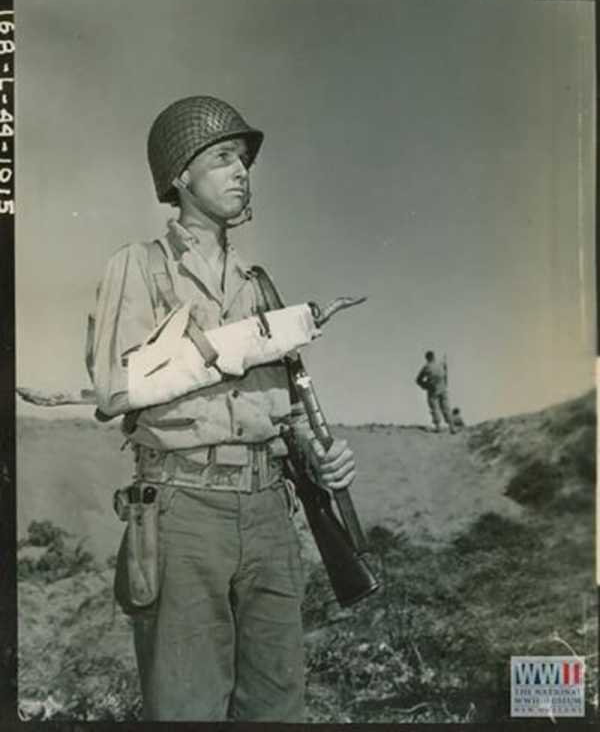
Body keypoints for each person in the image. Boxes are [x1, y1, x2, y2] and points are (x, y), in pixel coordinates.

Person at [89, 95, 356, 722]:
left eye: (244, 161)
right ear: (181, 175)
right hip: (184, 510)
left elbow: (285, 408)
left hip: (268, 511)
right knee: (187, 707)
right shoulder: (140, 268)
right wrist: (227, 348)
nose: (242, 172)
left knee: (277, 707)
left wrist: (320, 457)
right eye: (223, 158)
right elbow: (115, 387)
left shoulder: (259, 286)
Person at [415, 350, 455, 434]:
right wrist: (445, 384)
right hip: (443, 389)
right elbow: (445, 376)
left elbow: (418, 380)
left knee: (434, 408)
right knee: (446, 407)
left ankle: (438, 427)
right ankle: (452, 427)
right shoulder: (441, 365)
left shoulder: (426, 367)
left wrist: (425, 386)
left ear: (427, 358)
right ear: (434, 357)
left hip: (433, 390)